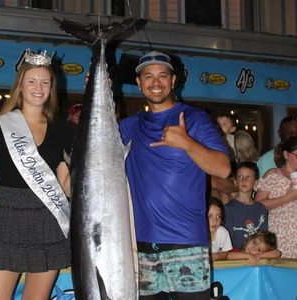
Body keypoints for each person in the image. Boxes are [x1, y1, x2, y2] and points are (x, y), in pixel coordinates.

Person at [0, 49, 72, 300]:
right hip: (7, 218)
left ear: (52, 86)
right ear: (20, 85)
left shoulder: (62, 129)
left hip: (48, 221)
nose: (38, 88)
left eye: (45, 82)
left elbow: (66, 181)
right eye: (31, 81)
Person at [119, 51, 231, 300]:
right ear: (139, 82)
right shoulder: (128, 127)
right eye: (148, 76)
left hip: (186, 243)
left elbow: (223, 168)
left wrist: (187, 143)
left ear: (173, 80)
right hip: (141, 246)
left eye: (162, 75)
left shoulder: (194, 119)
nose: (155, 82)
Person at [255, 136, 297, 258]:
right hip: (281, 235)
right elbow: (259, 205)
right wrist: (288, 197)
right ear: (286, 154)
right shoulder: (274, 174)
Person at [224, 162, 268, 250]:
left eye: (248, 177)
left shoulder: (261, 209)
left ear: (255, 183)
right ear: (235, 181)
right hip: (237, 256)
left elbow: (264, 237)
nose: (244, 180)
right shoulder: (228, 209)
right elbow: (229, 240)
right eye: (240, 176)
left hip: (258, 255)